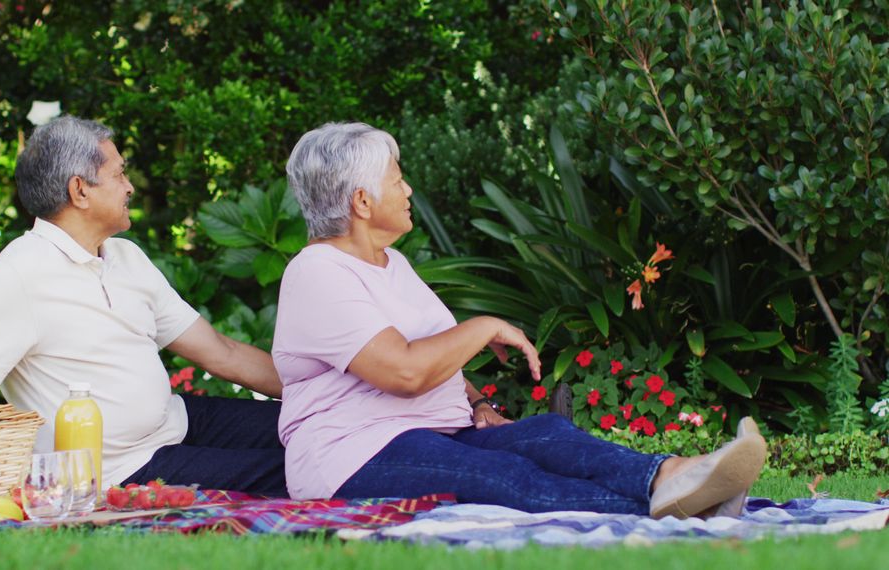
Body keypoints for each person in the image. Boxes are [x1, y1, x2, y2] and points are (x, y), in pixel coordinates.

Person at [272, 122, 768, 518]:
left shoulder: (390, 263)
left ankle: (678, 475)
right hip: (352, 456)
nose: (408, 189)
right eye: (396, 179)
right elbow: (405, 372)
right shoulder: (318, 272)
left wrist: (480, 401)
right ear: (362, 201)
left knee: (550, 436)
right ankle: (686, 512)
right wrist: (485, 326)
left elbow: (430, 357)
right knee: (507, 476)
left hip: (438, 431)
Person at [0, 115, 285, 494]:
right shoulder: (14, 277)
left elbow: (221, 353)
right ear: (80, 191)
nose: (129, 186)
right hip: (120, 471)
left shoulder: (126, 257)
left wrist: (318, 396)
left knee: (316, 429)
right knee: (299, 470)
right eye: (119, 175)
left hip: (178, 423)